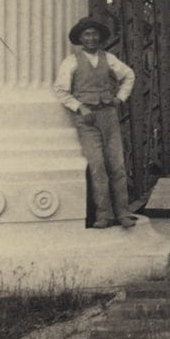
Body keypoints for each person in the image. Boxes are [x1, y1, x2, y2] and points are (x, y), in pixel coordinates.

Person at [54, 16, 139, 230]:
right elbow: (61, 90)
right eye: (87, 35)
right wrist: (80, 108)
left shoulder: (108, 58)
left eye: (94, 34)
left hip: (109, 117)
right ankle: (104, 215)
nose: (91, 38)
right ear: (81, 38)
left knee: (117, 165)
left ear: (99, 37)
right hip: (87, 120)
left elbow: (129, 75)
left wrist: (119, 99)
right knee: (97, 166)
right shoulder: (71, 61)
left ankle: (123, 212)